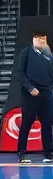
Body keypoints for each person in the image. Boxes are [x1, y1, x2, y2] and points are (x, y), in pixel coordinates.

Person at [17, 30, 53, 163]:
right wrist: (30, 88)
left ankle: (49, 153)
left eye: (44, 40)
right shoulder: (26, 53)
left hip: (46, 93)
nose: (42, 42)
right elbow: (20, 73)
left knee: (47, 123)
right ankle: (22, 153)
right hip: (30, 93)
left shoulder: (48, 55)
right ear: (34, 39)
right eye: (40, 39)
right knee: (27, 122)